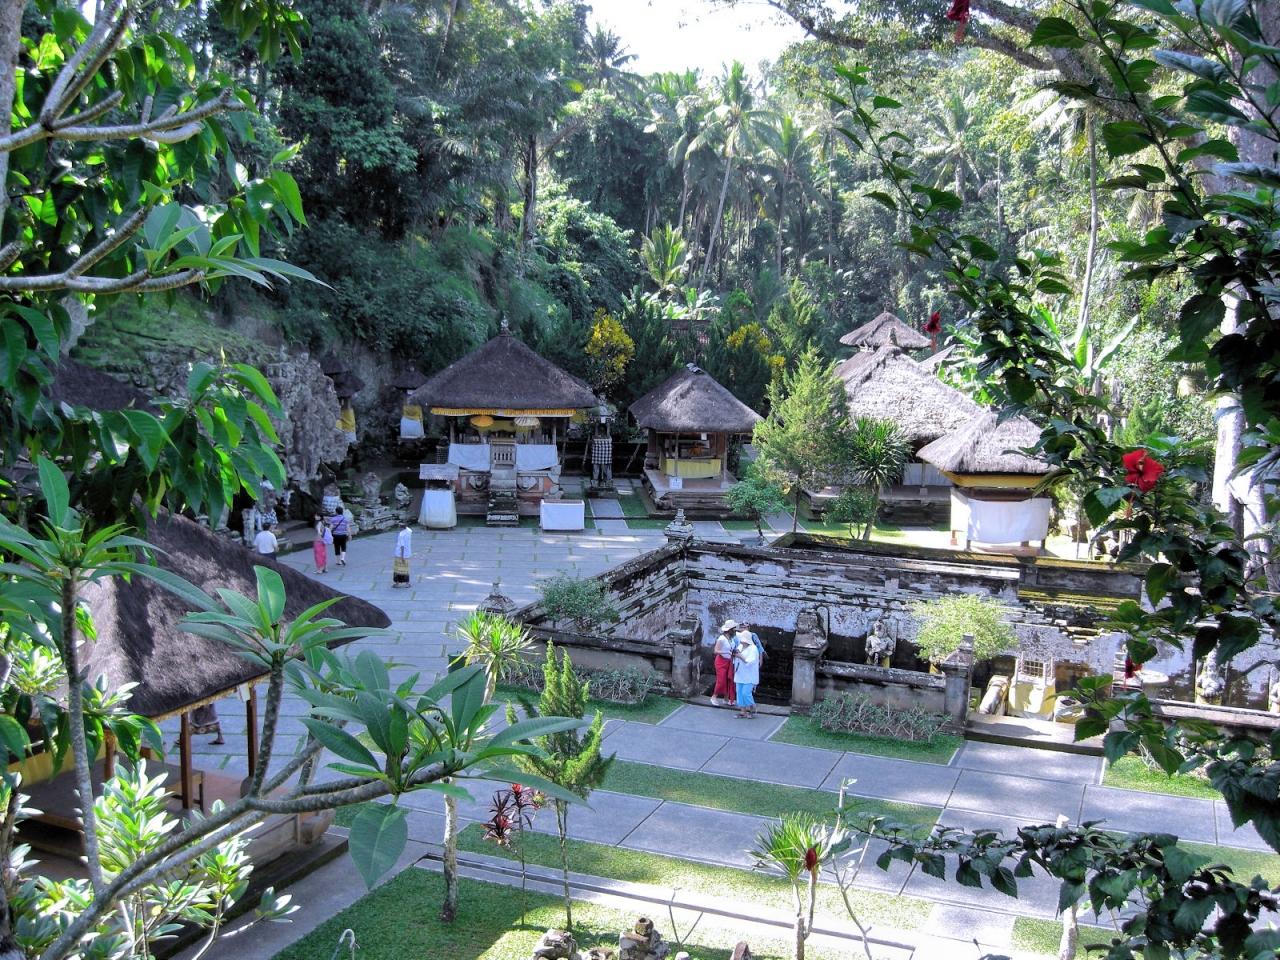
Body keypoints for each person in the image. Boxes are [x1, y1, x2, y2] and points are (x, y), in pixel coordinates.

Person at [732, 629, 761, 719]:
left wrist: (740, 656)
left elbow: (750, 662)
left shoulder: (753, 649)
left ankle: (752, 708)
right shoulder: (740, 646)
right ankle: (743, 711)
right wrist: (735, 655)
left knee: (746, 693)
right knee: (739, 693)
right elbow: (736, 659)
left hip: (749, 675)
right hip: (740, 673)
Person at [711, 619, 738, 707]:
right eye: (733, 628)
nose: (735, 630)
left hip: (729, 661)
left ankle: (726, 698)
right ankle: (714, 696)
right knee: (721, 680)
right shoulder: (721, 638)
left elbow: (731, 649)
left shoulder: (731, 639)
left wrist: (734, 652)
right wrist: (725, 652)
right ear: (729, 630)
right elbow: (715, 651)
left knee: (729, 679)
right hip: (721, 661)